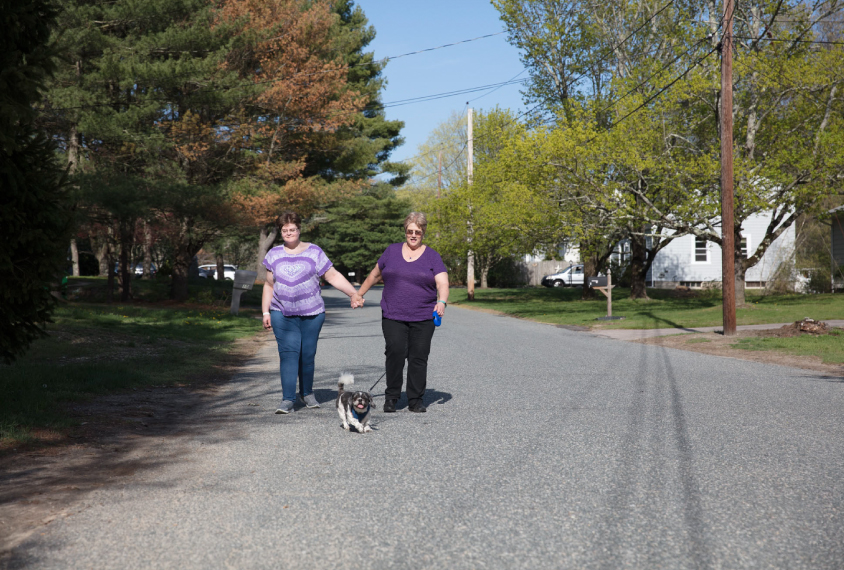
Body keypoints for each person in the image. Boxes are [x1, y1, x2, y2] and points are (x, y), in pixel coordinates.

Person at [262, 211, 360, 414]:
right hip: (281, 312)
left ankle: (307, 393)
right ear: (281, 232)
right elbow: (269, 285)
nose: (289, 233)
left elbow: (332, 276)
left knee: (307, 355)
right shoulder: (273, 254)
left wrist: (353, 293)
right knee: (288, 354)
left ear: (299, 229)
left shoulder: (314, 251)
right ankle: (287, 399)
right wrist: (265, 312)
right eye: (285, 230)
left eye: (292, 229)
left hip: (312, 312)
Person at [353, 212, 449, 413]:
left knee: (418, 356)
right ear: (405, 231)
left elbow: (442, 282)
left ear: (423, 233)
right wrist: (359, 294)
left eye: (418, 232)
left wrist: (441, 301)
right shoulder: (391, 251)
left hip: (423, 316)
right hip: (393, 313)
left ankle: (415, 399)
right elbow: (374, 274)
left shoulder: (432, 255)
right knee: (395, 352)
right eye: (410, 231)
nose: (413, 235)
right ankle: (392, 397)